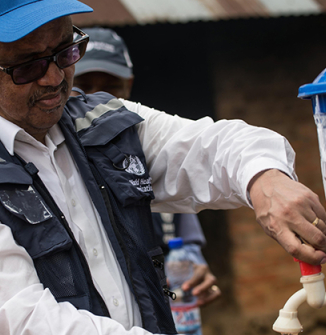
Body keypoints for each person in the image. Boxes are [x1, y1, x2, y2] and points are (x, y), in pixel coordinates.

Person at [0, 1, 326, 334]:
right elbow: (21, 321)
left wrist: (264, 179)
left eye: (65, 51)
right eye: (26, 64)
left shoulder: (101, 122)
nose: (53, 78)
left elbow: (213, 146)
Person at [71, 27, 219, 307]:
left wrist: (192, 275)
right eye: (85, 85)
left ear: (129, 85)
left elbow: (185, 248)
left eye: (110, 87)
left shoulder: (151, 155)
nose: (98, 101)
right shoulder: (52, 163)